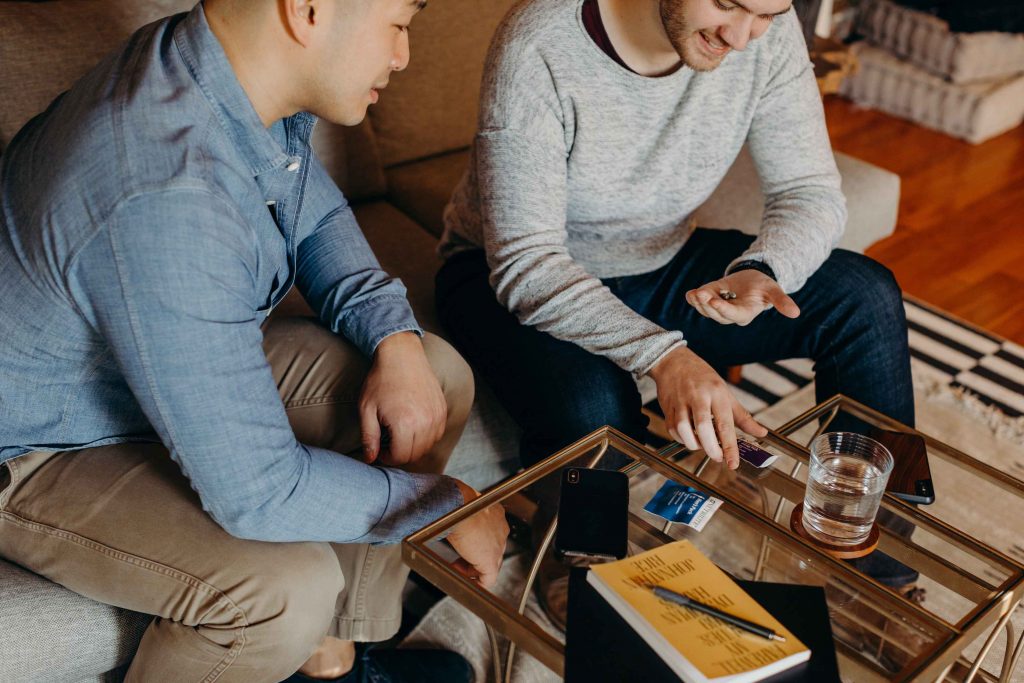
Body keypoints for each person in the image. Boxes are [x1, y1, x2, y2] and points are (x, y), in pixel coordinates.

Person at [0, 0, 508, 681]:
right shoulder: (165, 184)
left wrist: (395, 338)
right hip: (42, 442)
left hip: (133, 366)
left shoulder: (211, 64)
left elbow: (312, 209)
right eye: (399, 25)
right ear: (307, 12)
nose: (403, 56)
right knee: (281, 589)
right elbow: (257, 493)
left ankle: (333, 659)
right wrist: (444, 504)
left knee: (432, 373)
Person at [435, 0, 917, 623]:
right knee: (595, 405)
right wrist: (663, 355)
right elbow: (527, 263)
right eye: (727, 4)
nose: (743, 37)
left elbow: (810, 190)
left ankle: (881, 567)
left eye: (768, 14)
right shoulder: (540, 43)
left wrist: (762, 269)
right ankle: (586, 568)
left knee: (866, 298)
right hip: (504, 276)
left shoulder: (762, 34)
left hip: (660, 260)